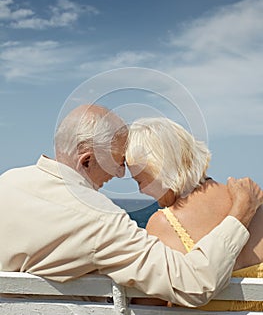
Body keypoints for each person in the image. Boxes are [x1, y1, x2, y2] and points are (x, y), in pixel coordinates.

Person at [0, 105, 261, 308]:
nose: (117, 174)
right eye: (116, 163)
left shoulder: (7, 183)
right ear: (87, 161)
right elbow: (195, 283)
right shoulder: (98, 218)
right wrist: (241, 212)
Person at [126, 116, 263, 311]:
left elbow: (147, 307)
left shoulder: (164, 223)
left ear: (159, 170)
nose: (141, 191)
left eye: (140, 181)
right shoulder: (253, 203)